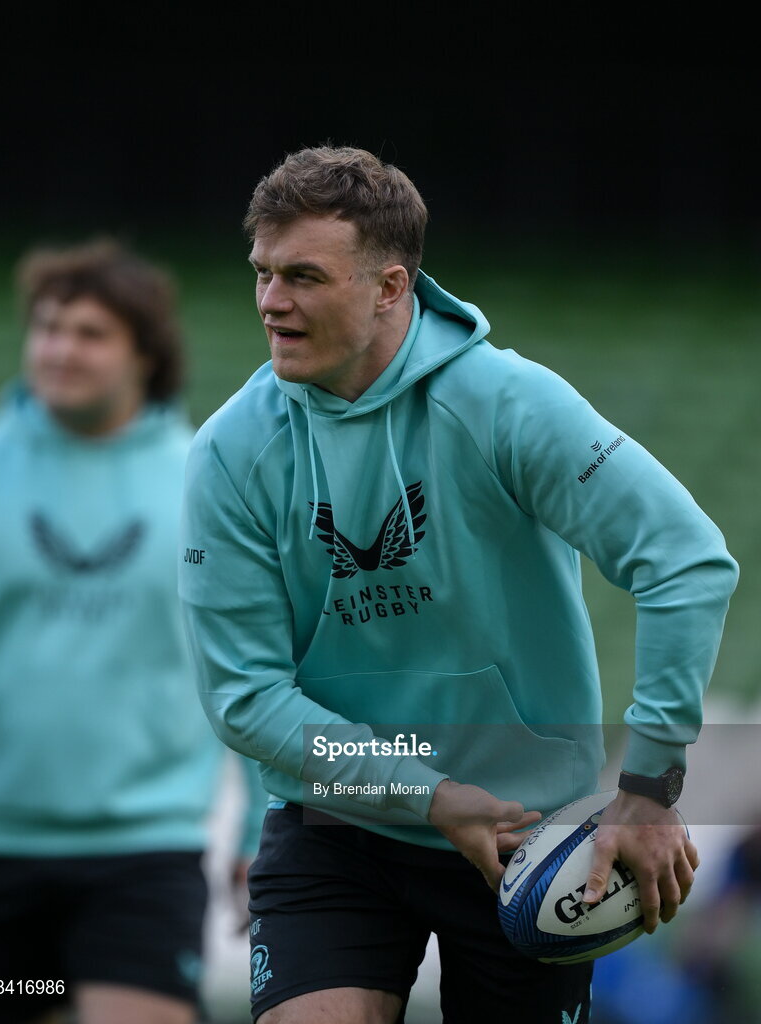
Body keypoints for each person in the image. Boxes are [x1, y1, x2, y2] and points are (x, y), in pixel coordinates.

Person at [178, 147, 739, 1024]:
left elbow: (686, 558)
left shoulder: (506, 402)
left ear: (391, 287)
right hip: (340, 825)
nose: (270, 302)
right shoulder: (229, 453)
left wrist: (652, 785)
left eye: (302, 276)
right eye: (261, 274)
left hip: (534, 836)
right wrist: (429, 796)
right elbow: (243, 698)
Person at [0, 239, 267, 1024]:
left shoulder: (206, 485)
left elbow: (254, 667)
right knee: (34, 1003)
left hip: (144, 850)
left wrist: (264, 833)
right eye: (48, 329)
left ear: (145, 355)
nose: (59, 350)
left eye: (90, 333)